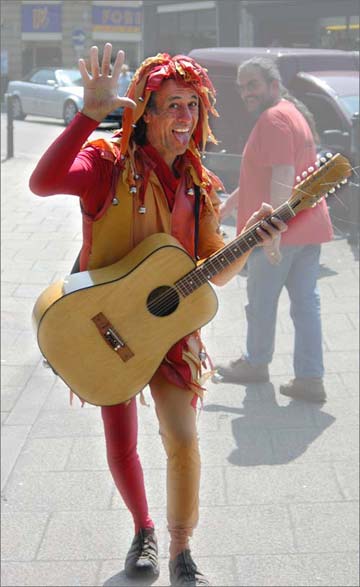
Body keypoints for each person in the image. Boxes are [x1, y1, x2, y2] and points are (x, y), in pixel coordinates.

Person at [29, 44, 285, 586]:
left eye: (192, 106)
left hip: (171, 328)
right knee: (120, 441)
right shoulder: (107, 163)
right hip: (103, 326)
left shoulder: (199, 184)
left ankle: (179, 547)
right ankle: (142, 529)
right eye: (172, 105)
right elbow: (43, 182)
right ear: (145, 111)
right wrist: (89, 115)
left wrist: (249, 241)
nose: (185, 118)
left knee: (184, 439)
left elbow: (213, 272)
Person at [216, 57, 334, 403]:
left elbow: (282, 175)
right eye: (241, 87)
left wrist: (273, 234)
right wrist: (229, 205)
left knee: (261, 304)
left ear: (272, 84)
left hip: (280, 234)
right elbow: (262, 174)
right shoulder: (291, 113)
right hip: (309, 227)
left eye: (252, 84)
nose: (245, 92)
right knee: (305, 305)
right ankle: (311, 379)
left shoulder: (273, 119)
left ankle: (255, 363)